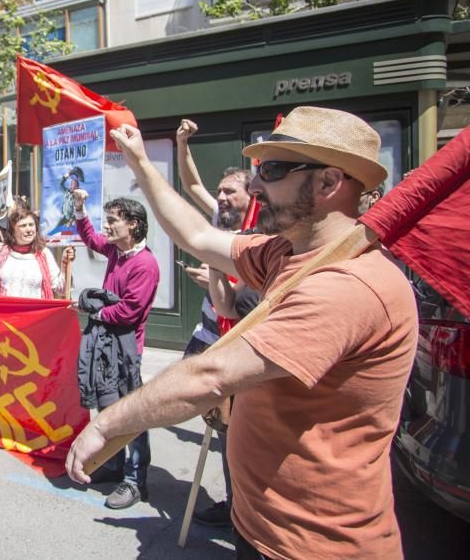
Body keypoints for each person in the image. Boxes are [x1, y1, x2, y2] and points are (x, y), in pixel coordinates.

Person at [66, 107, 418, 559]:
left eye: (271, 171)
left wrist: (109, 424)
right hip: (259, 528)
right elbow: (197, 235)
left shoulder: (350, 286)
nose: (254, 187)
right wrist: (138, 161)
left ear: (329, 183)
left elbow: (211, 376)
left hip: (315, 546)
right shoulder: (283, 251)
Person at [176, 118, 261, 527]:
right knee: (222, 424)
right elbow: (191, 184)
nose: (220, 198)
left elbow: (237, 302)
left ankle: (244, 510)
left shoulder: (260, 235)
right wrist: (181, 143)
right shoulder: (220, 218)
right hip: (212, 333)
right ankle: (232, 504)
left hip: (241, 340)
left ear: (252, 196)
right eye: (221, 191)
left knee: (240, 432)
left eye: (230, 191)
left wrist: (217, 278)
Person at [72, 189, 159, 509]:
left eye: (112, 221)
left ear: (133, 225)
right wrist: (80, 209)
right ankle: (113, 463)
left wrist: (93, 311)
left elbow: (129, 311)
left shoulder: (145, 264)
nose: (106, 227)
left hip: (124, 351)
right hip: (105, 346)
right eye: (106, 221)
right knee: (108, 410)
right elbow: (92, 240)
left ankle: (136, 481)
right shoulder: (116, 252)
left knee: (129, 415)